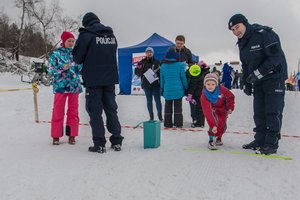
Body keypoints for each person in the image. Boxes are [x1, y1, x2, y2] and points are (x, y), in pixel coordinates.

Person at [228, 14, 287, 155]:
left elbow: (275, 58)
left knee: (272, 111)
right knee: (259, 112)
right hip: (259, 80)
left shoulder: (264, 34)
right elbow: (246, 64)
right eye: (233, 30)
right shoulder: (242, 43)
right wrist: (247, 82)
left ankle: (271, 143)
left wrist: (258, 73)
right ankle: (260, 140)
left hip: (274, 77)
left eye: (237, 27)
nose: (236, 31)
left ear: (245, 23)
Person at [72, 12, 124, 153]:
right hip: (110, 79)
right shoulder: (111, 36)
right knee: (111, 109)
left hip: (93, 81)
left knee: (95, 112)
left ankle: (99, 143)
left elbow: (77, 58)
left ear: (86, 23)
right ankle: (117, 141)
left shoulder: (86, 35)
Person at [48, 31, 82, 145]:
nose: (71, 43)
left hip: (74, 87)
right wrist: (62, 67)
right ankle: (56, 136)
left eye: (73, 41)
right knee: (58, 111)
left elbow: (80, 69)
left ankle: (72, 135)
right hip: (60, 87)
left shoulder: (76, 54)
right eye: (69, 41)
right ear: (64, 41)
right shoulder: (55, 54)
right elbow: (50, 70)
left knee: (73, 112)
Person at [201, 73, 235, 150]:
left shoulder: (222, 90)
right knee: (215, 123)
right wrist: (213, 125)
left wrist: (230, 107)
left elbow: (231, 97)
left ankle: (219, 137)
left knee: (222, 125)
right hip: (212, 110)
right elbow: (207, 110)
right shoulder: (204, 95)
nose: (210, 86)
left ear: (216, 84)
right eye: (208, 84)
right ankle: (211, 140)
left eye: (213, 84)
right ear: (204, 84)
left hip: (223, 110)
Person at [160, 48, 188, 128]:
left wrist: (162, 88)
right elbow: (183, 77)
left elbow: (162, 79)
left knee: (168, 107)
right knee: (178, 107)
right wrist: (186, 86)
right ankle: (178, 123)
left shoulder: (163, 66)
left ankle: (167, 123)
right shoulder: (181, 65)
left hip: (167, 90)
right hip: (178, 90)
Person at [134, 47, 162, 121]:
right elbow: (137, 73)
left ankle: (160, 116)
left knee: (158, 101)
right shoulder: (141, 62)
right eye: (148, 52)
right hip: (146, 85)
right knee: (149, 101)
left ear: (153, 53)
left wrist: (156, 75)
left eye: (151, 52)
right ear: (145, 53)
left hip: (156, 85)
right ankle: (151, 117)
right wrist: (141, 70)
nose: (149, 53)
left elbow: (161, 73)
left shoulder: (157, 62)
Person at [186, 61, 210, 128]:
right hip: (202, 94)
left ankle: (196, 122)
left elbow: (192, 86)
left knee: (196, 108)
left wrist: (190, 95)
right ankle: (201, 123)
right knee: (201, 108)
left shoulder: (195, 75)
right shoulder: (203, 73)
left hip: (196, 95)